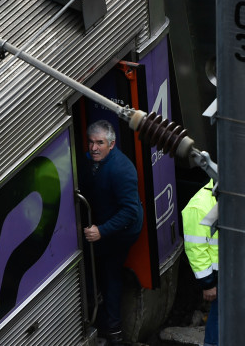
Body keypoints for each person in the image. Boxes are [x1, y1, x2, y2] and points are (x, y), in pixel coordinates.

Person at [82, 120, 143, 346]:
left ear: (112, 144)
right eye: (91, 142)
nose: (94, 147)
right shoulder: (91, 161)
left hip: (120, 233)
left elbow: (130, 211)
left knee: (111, 275)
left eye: (100, 143)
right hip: (101, 225)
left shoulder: (121, 169)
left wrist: (102, 231)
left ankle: (114, 330)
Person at [182, 180, 219, 346]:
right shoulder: (199, 207)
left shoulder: (231, 194)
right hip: (220, 275)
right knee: (221, 317)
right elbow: (196, 250)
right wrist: (208, 283)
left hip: (235, 269)